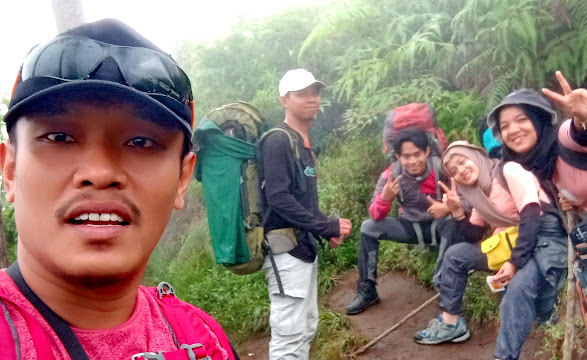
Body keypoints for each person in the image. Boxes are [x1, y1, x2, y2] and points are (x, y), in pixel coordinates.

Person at [0, 19, 240, 359]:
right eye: (59, 137)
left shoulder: (203, 340)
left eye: (141, 142)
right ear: (10, 169)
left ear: (182, 179)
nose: (100, 173)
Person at [487, 72, 587, 360]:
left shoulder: (563, 138)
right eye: (504, 126)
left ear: (539, 119)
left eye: (521, 119)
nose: (513, 130)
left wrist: (584, 117)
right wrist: (573, 203)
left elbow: (584, 132)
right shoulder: (543, 168)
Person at [414, 141, 567, 360]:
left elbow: (532, 215)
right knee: (456, 255)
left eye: (462, 161)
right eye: (454, 171)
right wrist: (457, 212)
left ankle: (505, 356)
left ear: (475, 156)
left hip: (545, 237)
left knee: (516, 290)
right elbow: (473, 235)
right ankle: (450, 324)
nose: (461, 170)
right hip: (510, 242)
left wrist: (514, 262)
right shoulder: (478, 194)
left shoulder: (508, 171)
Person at [260, 68, 352, 360]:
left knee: (306, 326)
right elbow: (278, 198)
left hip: (302, 249)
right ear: (284, 99)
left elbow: (303, 203)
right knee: (289, 333)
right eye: (301, 94)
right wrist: (326, 226)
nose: (311, 99)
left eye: (315, 92)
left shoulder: (302, 145)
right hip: (285, 251)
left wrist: (326, 229)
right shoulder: (278, 140)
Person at [346, 126, 459, 315]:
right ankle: (367, 290)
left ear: (427, 152)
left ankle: (444, 286)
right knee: (368, 228)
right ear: (398, 156)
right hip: (410, 227)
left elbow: (468, 200)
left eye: (417, 154)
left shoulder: (443, 169)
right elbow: (375, 214)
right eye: (406, 156)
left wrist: (448, 207)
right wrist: (385, 198)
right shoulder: (391, 175)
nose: (412, 161)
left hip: (441, 225)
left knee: (452, 221)